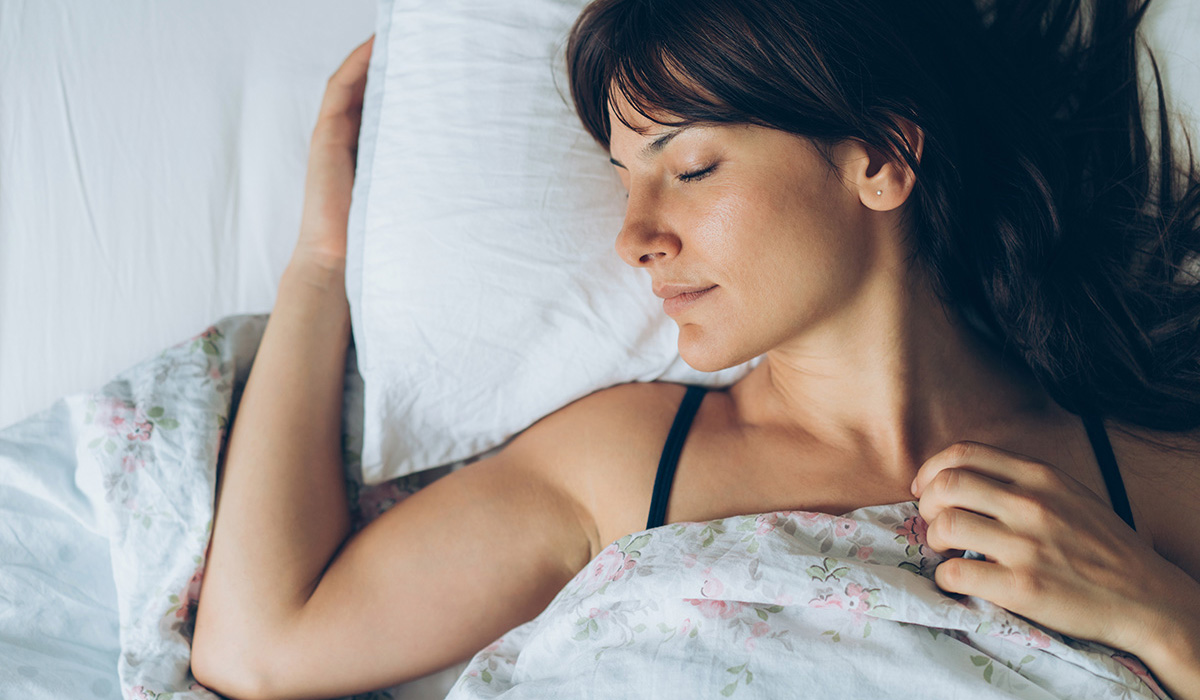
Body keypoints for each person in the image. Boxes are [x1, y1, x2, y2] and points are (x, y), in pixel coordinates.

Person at [191, 0, 1200, 698]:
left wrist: (1163, 615)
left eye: (694, 165)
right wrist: (323, 265)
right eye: (626, 178)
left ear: (882, 158)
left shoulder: (1138, 482)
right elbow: (261, 644)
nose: (635, 237)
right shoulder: (625, 462)